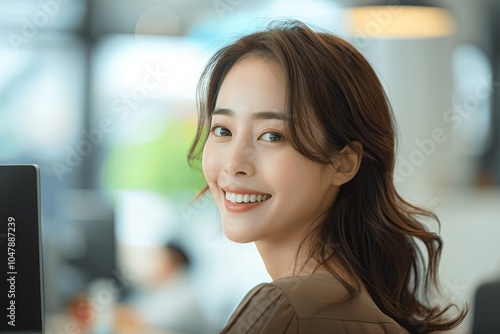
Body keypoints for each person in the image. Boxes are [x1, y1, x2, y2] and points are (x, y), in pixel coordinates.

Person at [188, 20, 467, 333]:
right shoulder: (370, 314)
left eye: (272, 136)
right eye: (222, 130)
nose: (233, 163)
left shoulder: (283, 308)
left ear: (343, 164)